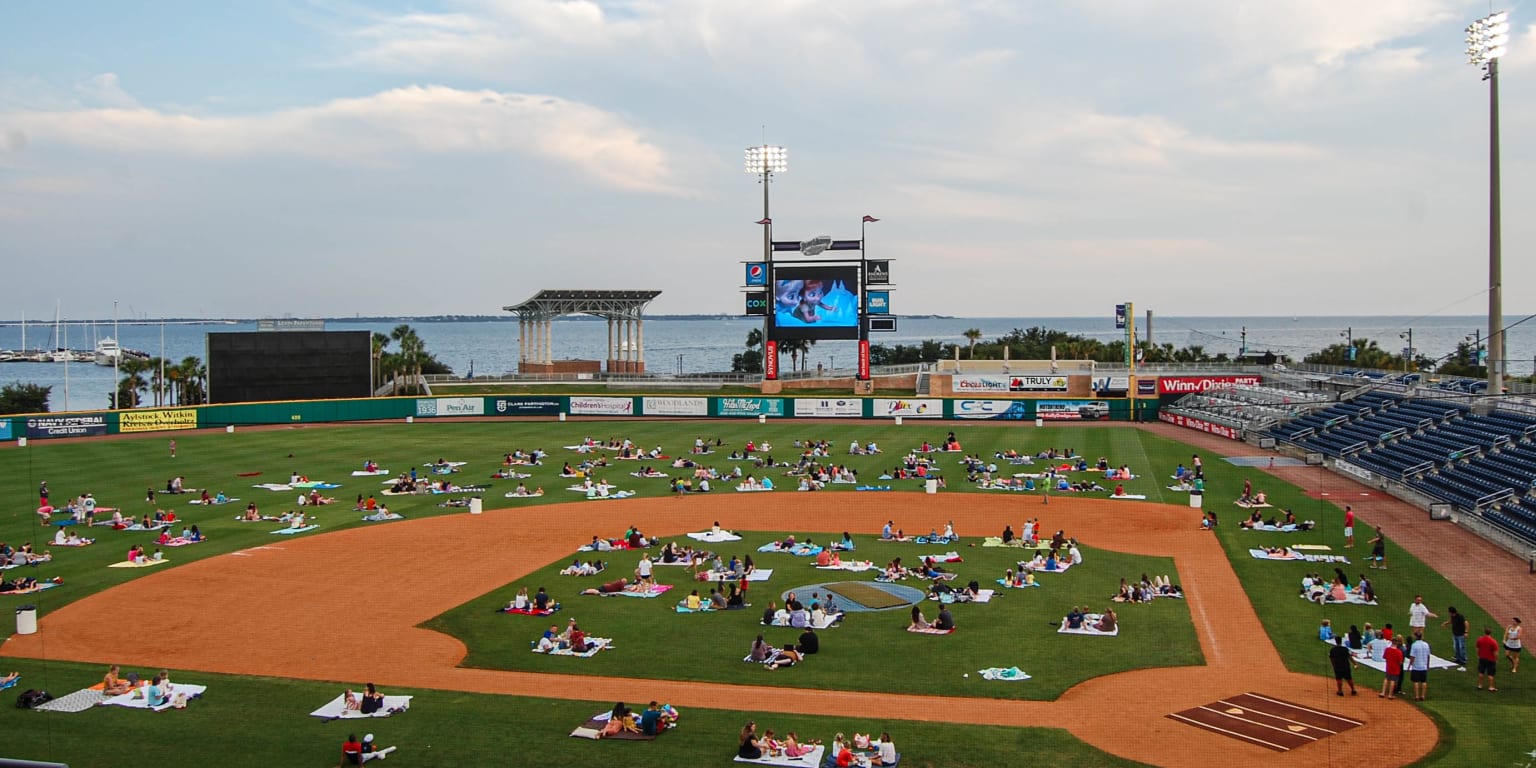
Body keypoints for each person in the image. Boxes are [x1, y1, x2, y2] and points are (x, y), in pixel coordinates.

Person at [1408, 631, 1432, 701]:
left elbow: (1412, 656)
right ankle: (1423, 696)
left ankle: (1417, 696)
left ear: (1416, 637)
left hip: (1416, 666)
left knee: (1416, 681)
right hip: (1423, 666)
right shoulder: (1426, 644)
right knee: (1423, 681)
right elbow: (1428, 656)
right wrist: (1427, 665)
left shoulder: (1414, 645)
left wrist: (1410, 665)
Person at [1476, 626, 1501, 691]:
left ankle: (1480, 685)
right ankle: (1491, 687)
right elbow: (1495, 652)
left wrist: (1478, 655)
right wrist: (1496, 659)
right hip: (1490, 660)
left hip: (1482, 658)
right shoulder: (1493, 642)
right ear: (1491, 632)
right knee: (1490, 674)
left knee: (1481, 672)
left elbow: (1477, 648)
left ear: (1484, 632)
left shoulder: (1480, 639)